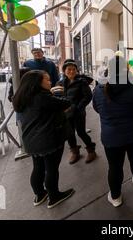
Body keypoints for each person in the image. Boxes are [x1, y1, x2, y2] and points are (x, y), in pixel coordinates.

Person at [92, 56, 133, 207]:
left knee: (114, 167)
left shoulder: (99, 88)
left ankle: (115, 197)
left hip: (110, 138)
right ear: (126, 69)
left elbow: (97, 108)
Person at [12, 70, 75, 209]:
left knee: (38, 167)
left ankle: (39, 194)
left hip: (31, 140)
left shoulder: (22, 97)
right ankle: (54, 197)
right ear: (37, 83)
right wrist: (57, 92)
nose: (50, 82)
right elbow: (66, 103)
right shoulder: (43, 97)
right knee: (51, 169)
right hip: (48, 139)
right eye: (46, 80)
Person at [55, 59, 96, 165]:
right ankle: (75, 152)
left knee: (81, 132)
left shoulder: (81, 82)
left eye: (74, 69)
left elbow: (88, 96)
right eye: (69, 69)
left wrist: (78, 107)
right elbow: (57, 97)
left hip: (79, 113)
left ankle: (91, 150)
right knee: (69, 134)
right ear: (64, 71)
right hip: (66, 113)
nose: (71, 71)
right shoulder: (59, 83)